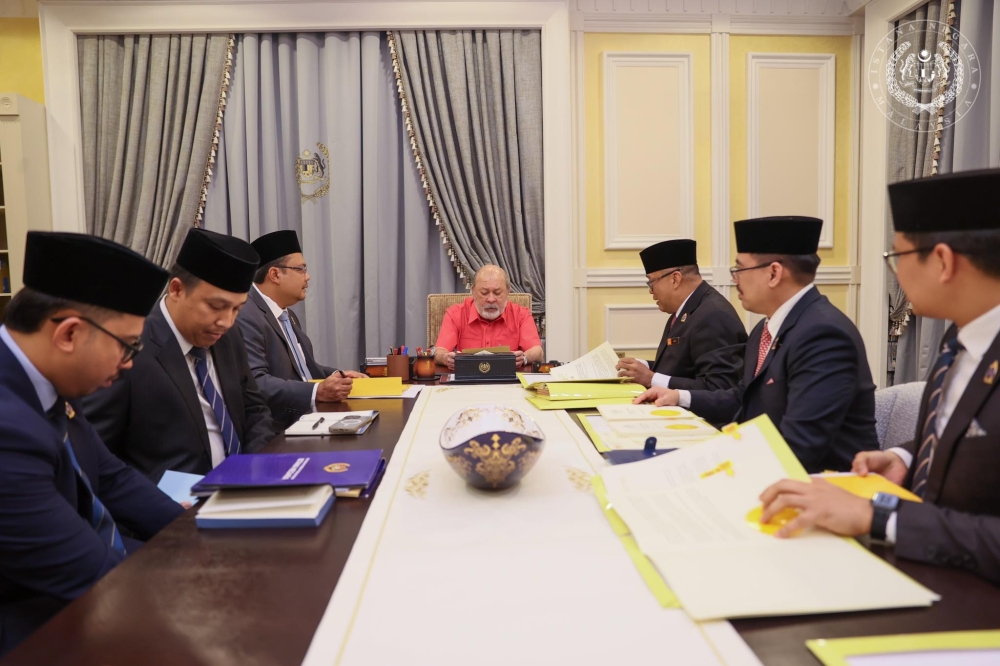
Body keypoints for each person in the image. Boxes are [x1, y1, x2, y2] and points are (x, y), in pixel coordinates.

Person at [759, 169, 1000, 585]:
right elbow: (969, 433)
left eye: (897, 257)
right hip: (916, 566)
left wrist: (878, 517)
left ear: (942, 261)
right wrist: (907, 457)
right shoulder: (960, 335)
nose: (895, 274)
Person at [0, 232, 184, 656]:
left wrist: (194, 536)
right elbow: (96, 578)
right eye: (126, 345)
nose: (130, 362)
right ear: (69, 334)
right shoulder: (7, 429)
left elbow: (110, 475)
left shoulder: (51, 380)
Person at [634, 216, 878, 472]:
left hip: (821, 486)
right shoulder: (765, 329)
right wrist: (679, 396)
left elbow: (801, 448)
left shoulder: (824, 335)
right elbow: (743, 397)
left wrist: (715, 464)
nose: (734, 279)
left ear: (774, 273)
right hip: (767, 465)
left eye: (739, 269)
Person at [83, 228, 275, 482]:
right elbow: (97, 456)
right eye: (216, 307)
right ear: (176, 289)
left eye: (237, 309)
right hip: (172, 508)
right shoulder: (130, 348)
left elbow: (254, 408)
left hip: (244, 489)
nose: (226, 321)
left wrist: (254, 469)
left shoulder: (228, 336)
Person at [236, 230, 366, 427]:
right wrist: (317, 391)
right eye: (301, 269)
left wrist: (338, 375)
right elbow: (255, 382)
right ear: (275, 274)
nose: (308, 277)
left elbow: (304, 368)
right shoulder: (246, 314)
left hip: (311, 417)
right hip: (278, 428)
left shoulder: (287, 315)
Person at [616, 239, 746, 390]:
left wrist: (651, 379)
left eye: (651, 282)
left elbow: (719, 388)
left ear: (675, 279)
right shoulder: (686, 309)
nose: (650, 291)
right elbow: (683, 369)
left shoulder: (713, 316)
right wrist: (642, 367)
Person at [433, 264, 543, 370]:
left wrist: (524, 358)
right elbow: (440, 351)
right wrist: (445, 358)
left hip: (506, 380)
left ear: (508, 291)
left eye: (497, 293)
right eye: (484, 293)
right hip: (468, 380)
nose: (491, 299)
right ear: (473, 291)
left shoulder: (521, 315)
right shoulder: (455, 314)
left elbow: (537, 352)